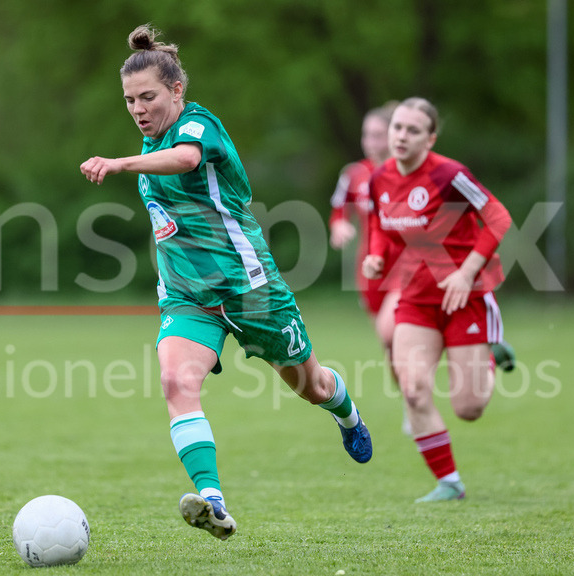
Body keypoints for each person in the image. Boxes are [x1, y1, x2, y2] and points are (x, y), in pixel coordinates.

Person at [80, 24, 372, 540]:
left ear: (176, 91)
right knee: (176, 381)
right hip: (189, 297)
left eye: (147, 97)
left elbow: (188, 160)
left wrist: (122, 162)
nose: (138, 109)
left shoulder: (197, 125)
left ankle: (346, 415)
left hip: (251, 290)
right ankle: (212, 500)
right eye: (129, 100)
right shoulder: (151, 145)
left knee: (313, 386)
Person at [362, 97, 513, 502]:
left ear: (430, 138)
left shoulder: (449, 175)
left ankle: (489, 354)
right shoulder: (380, 179)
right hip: (415, 298)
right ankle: (449, 482)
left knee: (469, 407)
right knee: (412, 389)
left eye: (413, 130)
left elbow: (498, 217)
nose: (402, 136)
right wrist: (377, 254)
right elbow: (380, 222)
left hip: (464, 297)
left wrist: (467, 272)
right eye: (397, 127)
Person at [328, 103, 404, 415]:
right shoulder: (354, 174)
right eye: (366, 135)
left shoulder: (409, 172)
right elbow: (338, 211)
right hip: (371, 268)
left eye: (378, 135)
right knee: (390, 344)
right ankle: (412, 401)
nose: (371, 142)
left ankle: (417, 397)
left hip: (408, 266)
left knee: (393, 332)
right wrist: (339, 226)